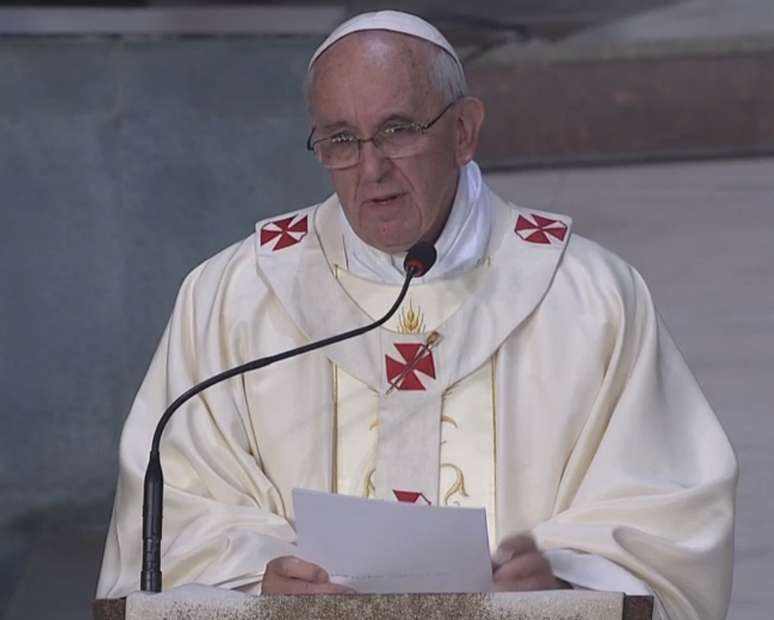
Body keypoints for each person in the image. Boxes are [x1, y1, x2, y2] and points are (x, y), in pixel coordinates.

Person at [97, 10, 737, 619]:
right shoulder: (233, 297)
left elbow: (667, 511)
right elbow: (176, 509)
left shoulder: (589, 295)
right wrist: (260, 577)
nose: (371, 168)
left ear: (463, 131)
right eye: (341, 141)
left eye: (398, 129)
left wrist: (566, 579)